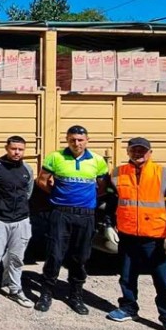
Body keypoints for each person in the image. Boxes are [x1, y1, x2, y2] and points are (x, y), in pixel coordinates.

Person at [104, 137, 166, 330]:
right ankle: (128, 308)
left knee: (163, 281)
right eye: (134, 150)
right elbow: (111, 203)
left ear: (150, 152)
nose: (138, 154)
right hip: (128, 236)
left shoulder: (165, 175)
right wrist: (107, 224)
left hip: (156, 238)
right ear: (128, 152)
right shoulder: (117, 174)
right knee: (127, 276)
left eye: (142, 150)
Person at [35, 125, 108, 314]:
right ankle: (46, 293)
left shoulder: (98, 161)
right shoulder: (55, 157)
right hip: (61, 213)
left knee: (80, 257)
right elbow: (42, 180)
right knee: (54, 254)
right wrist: (58, 196)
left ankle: (76, 295)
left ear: (87, 140)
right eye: (72, 139)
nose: (76, 143)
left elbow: (102, 187)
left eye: (80, 140)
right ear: (67, 140)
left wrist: (87, 200)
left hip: (86, 215)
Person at [0, 136, 34, 309]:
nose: (17, 152)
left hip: (21, 220)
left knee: (16, 258)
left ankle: (14, 289)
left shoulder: (27, 169)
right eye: (13, 149)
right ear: (7, 148)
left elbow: (28, 193)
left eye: (20, 149)